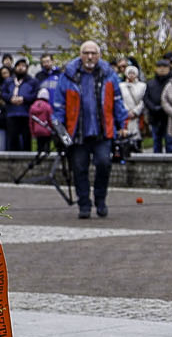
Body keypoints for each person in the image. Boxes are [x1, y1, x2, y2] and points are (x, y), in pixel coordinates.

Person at [49, 42, 129, 218]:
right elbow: (59, 106)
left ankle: (100, 200)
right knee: (79, 168)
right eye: (86, 53)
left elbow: (118, 102)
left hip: (102, 131)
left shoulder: (109, 75)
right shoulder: (68, 76)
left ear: (99, 55)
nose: (90, 57)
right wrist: (60, 129)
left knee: (104, 164)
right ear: (80, 55)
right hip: (77, 132)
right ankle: (84, 204)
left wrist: (123, 125)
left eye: (93, 53)